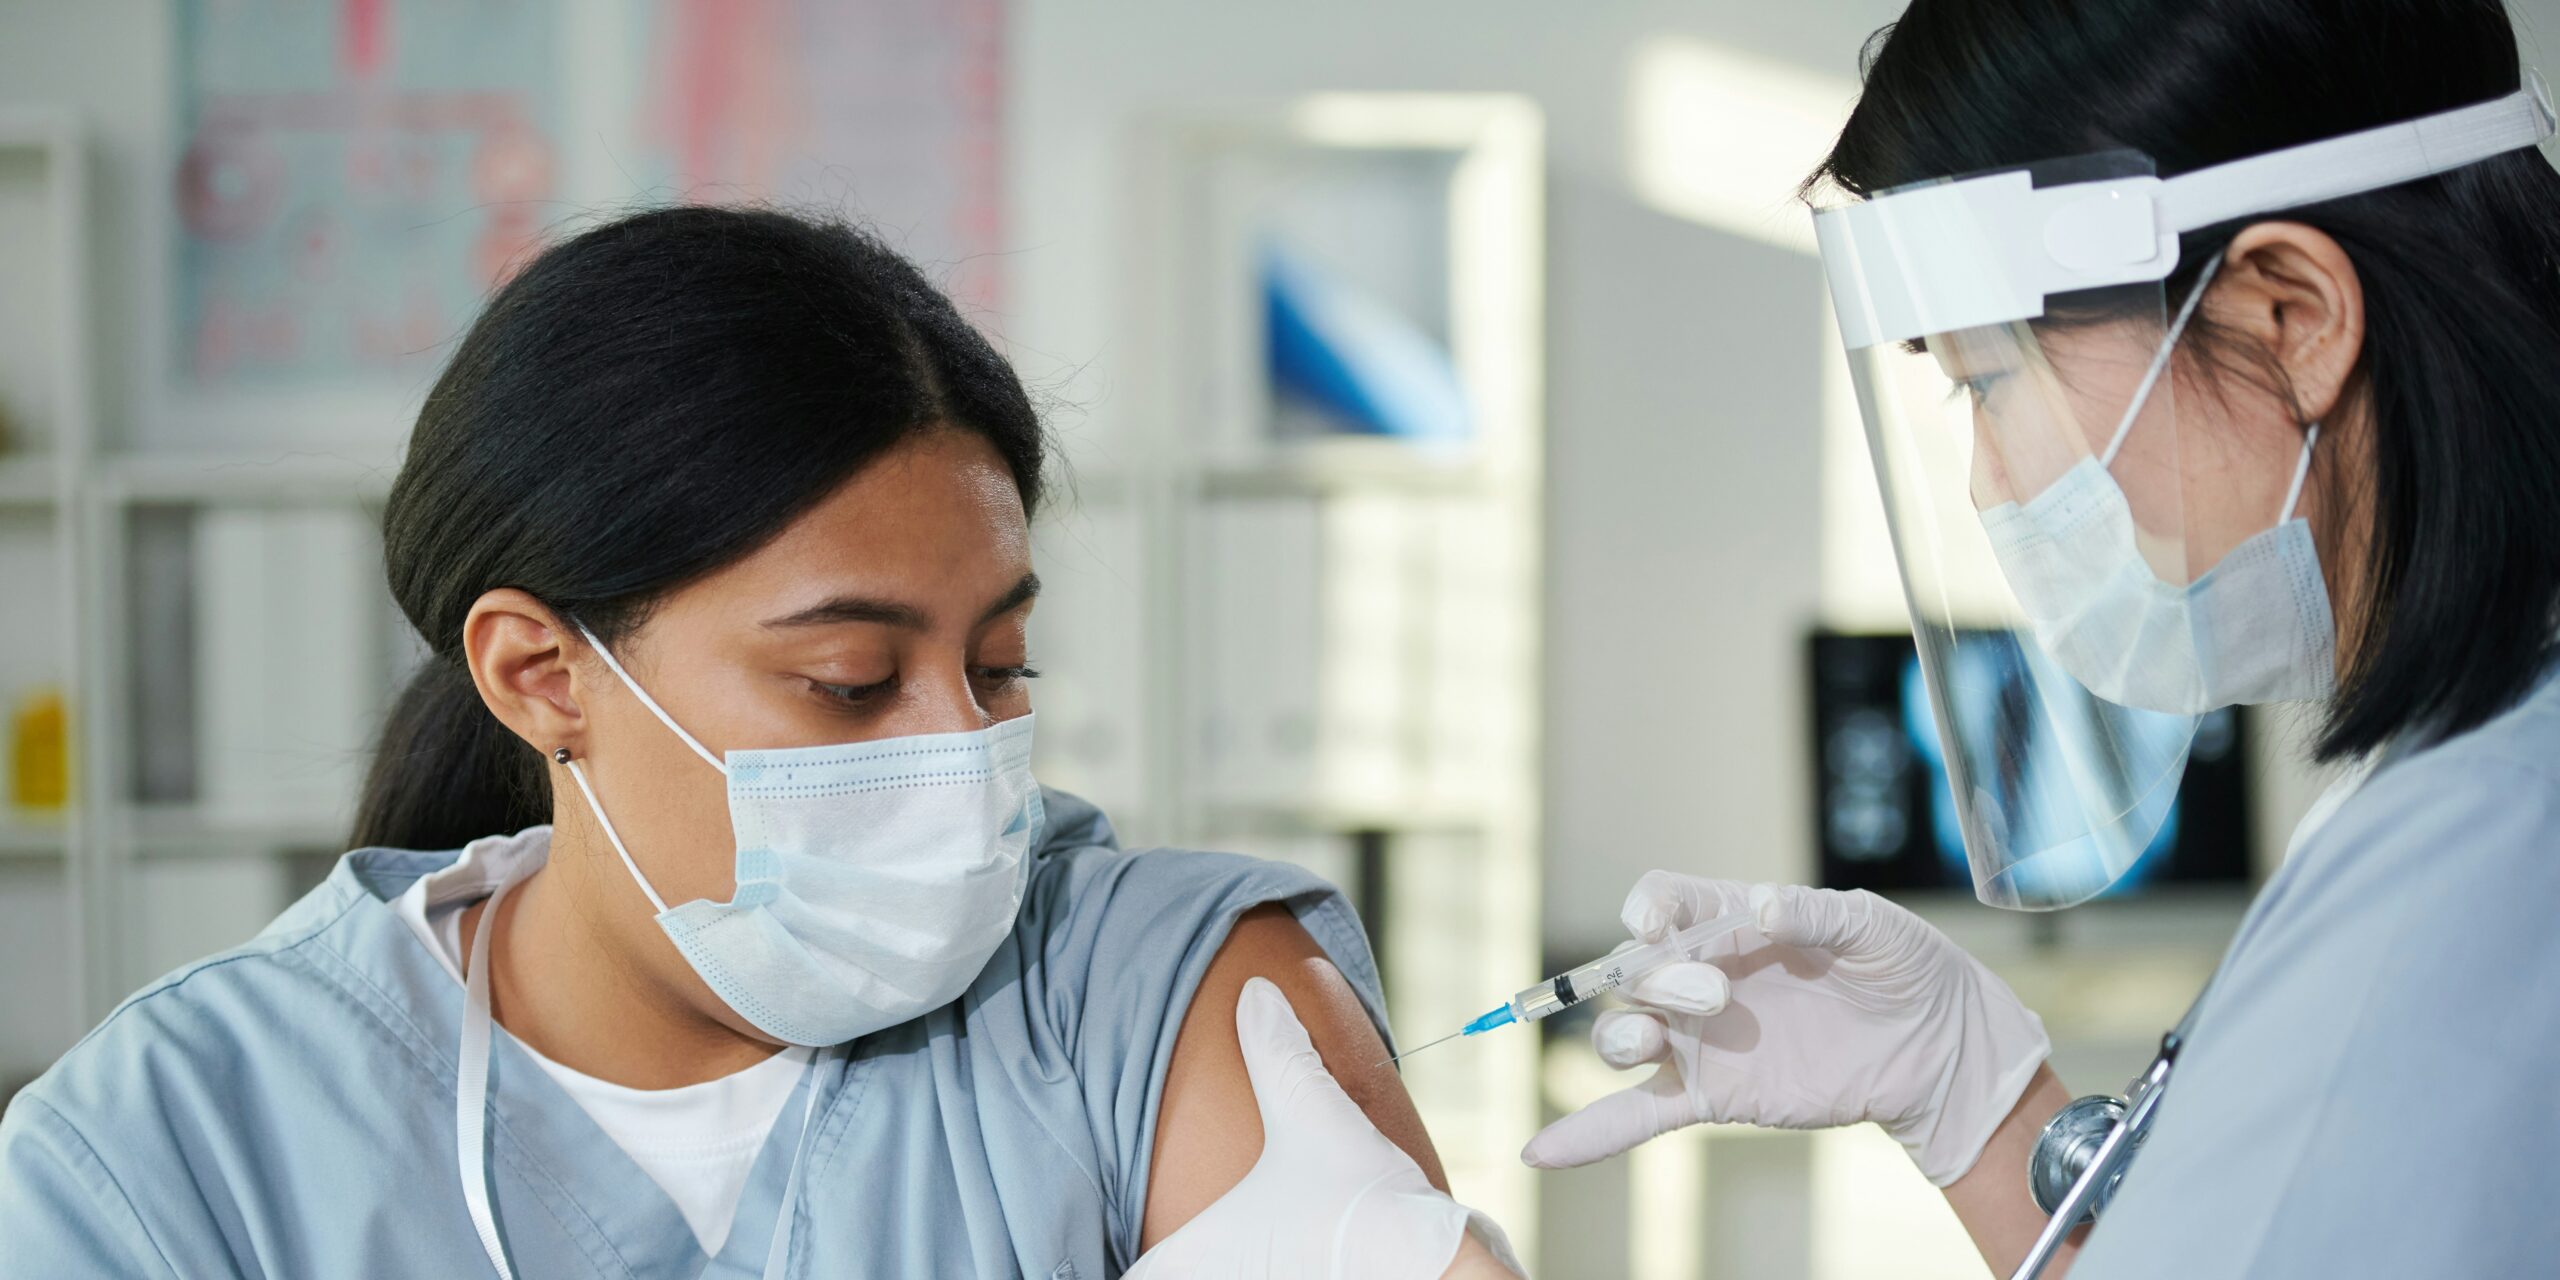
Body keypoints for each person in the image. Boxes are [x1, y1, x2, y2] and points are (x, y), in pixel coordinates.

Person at [0, 206, 1515, 1278]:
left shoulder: (1152, 987)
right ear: (542, 675)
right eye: (850, 681)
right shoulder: (173, 1141)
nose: (962, 750)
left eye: (1000, 665)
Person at [1526, 1, 2560, 1276]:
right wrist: (1976, 1100)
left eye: (1988, 378)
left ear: (2288, 316)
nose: (1987, 480)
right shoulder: (2454, 781)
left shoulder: (2479, 859)